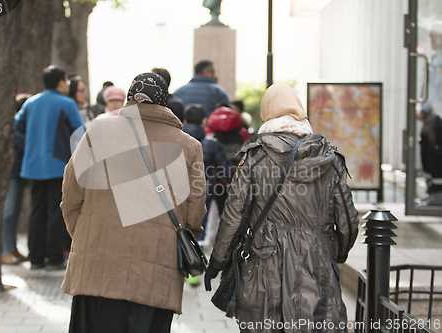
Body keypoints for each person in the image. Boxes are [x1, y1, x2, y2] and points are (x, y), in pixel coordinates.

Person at [204, 84, 359, 332]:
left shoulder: (255, 157)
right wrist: (335, 253)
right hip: (316, 260)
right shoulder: (329, 157)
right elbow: (348, 220)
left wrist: (217, 262)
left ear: (267, 113)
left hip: (265, 262)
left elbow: (234, 216)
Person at [61, 72, 206, 333]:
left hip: (96, 264)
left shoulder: (98, 130)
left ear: (130, 97)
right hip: (156, 269)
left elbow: (71, 194)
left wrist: (83, 235)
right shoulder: (189, 146)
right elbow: (195, 211)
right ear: (164, 101)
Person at [15, 66, 84, 270]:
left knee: (37, 210)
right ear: (61, 82)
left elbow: (17, 126)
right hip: (57, 165)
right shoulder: (66, 103)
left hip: (33, 164)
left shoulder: (31, 102)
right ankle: (54, 257)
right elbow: (81, 132)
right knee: (56, 210)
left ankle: (36, 257)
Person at [182, 104, 233, 286]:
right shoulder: (210, 145)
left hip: (177, 192)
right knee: (199, 228)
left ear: (185, 120)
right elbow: (226, 171)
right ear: (204, 121)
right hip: (203, 191)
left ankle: (179, 264)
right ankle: (194, 270)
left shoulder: (175, 140)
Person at [1, 94, 31, 265]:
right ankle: (4, 249)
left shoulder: (23, 127)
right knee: (9, 211)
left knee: (16, 211)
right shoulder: (14, 126)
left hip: (19, 174)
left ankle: (11, 247)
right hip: (12, 174)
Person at [419, 21, 442, 205]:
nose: (431, 39)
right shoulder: (434, 58)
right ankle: (432, 190)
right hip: (433, 112)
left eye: (433, 36)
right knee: (427, 147)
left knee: (434, 150)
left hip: (438, 114)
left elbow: (435, 90)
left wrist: (424, 108)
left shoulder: (439, 59)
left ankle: (436, 192)